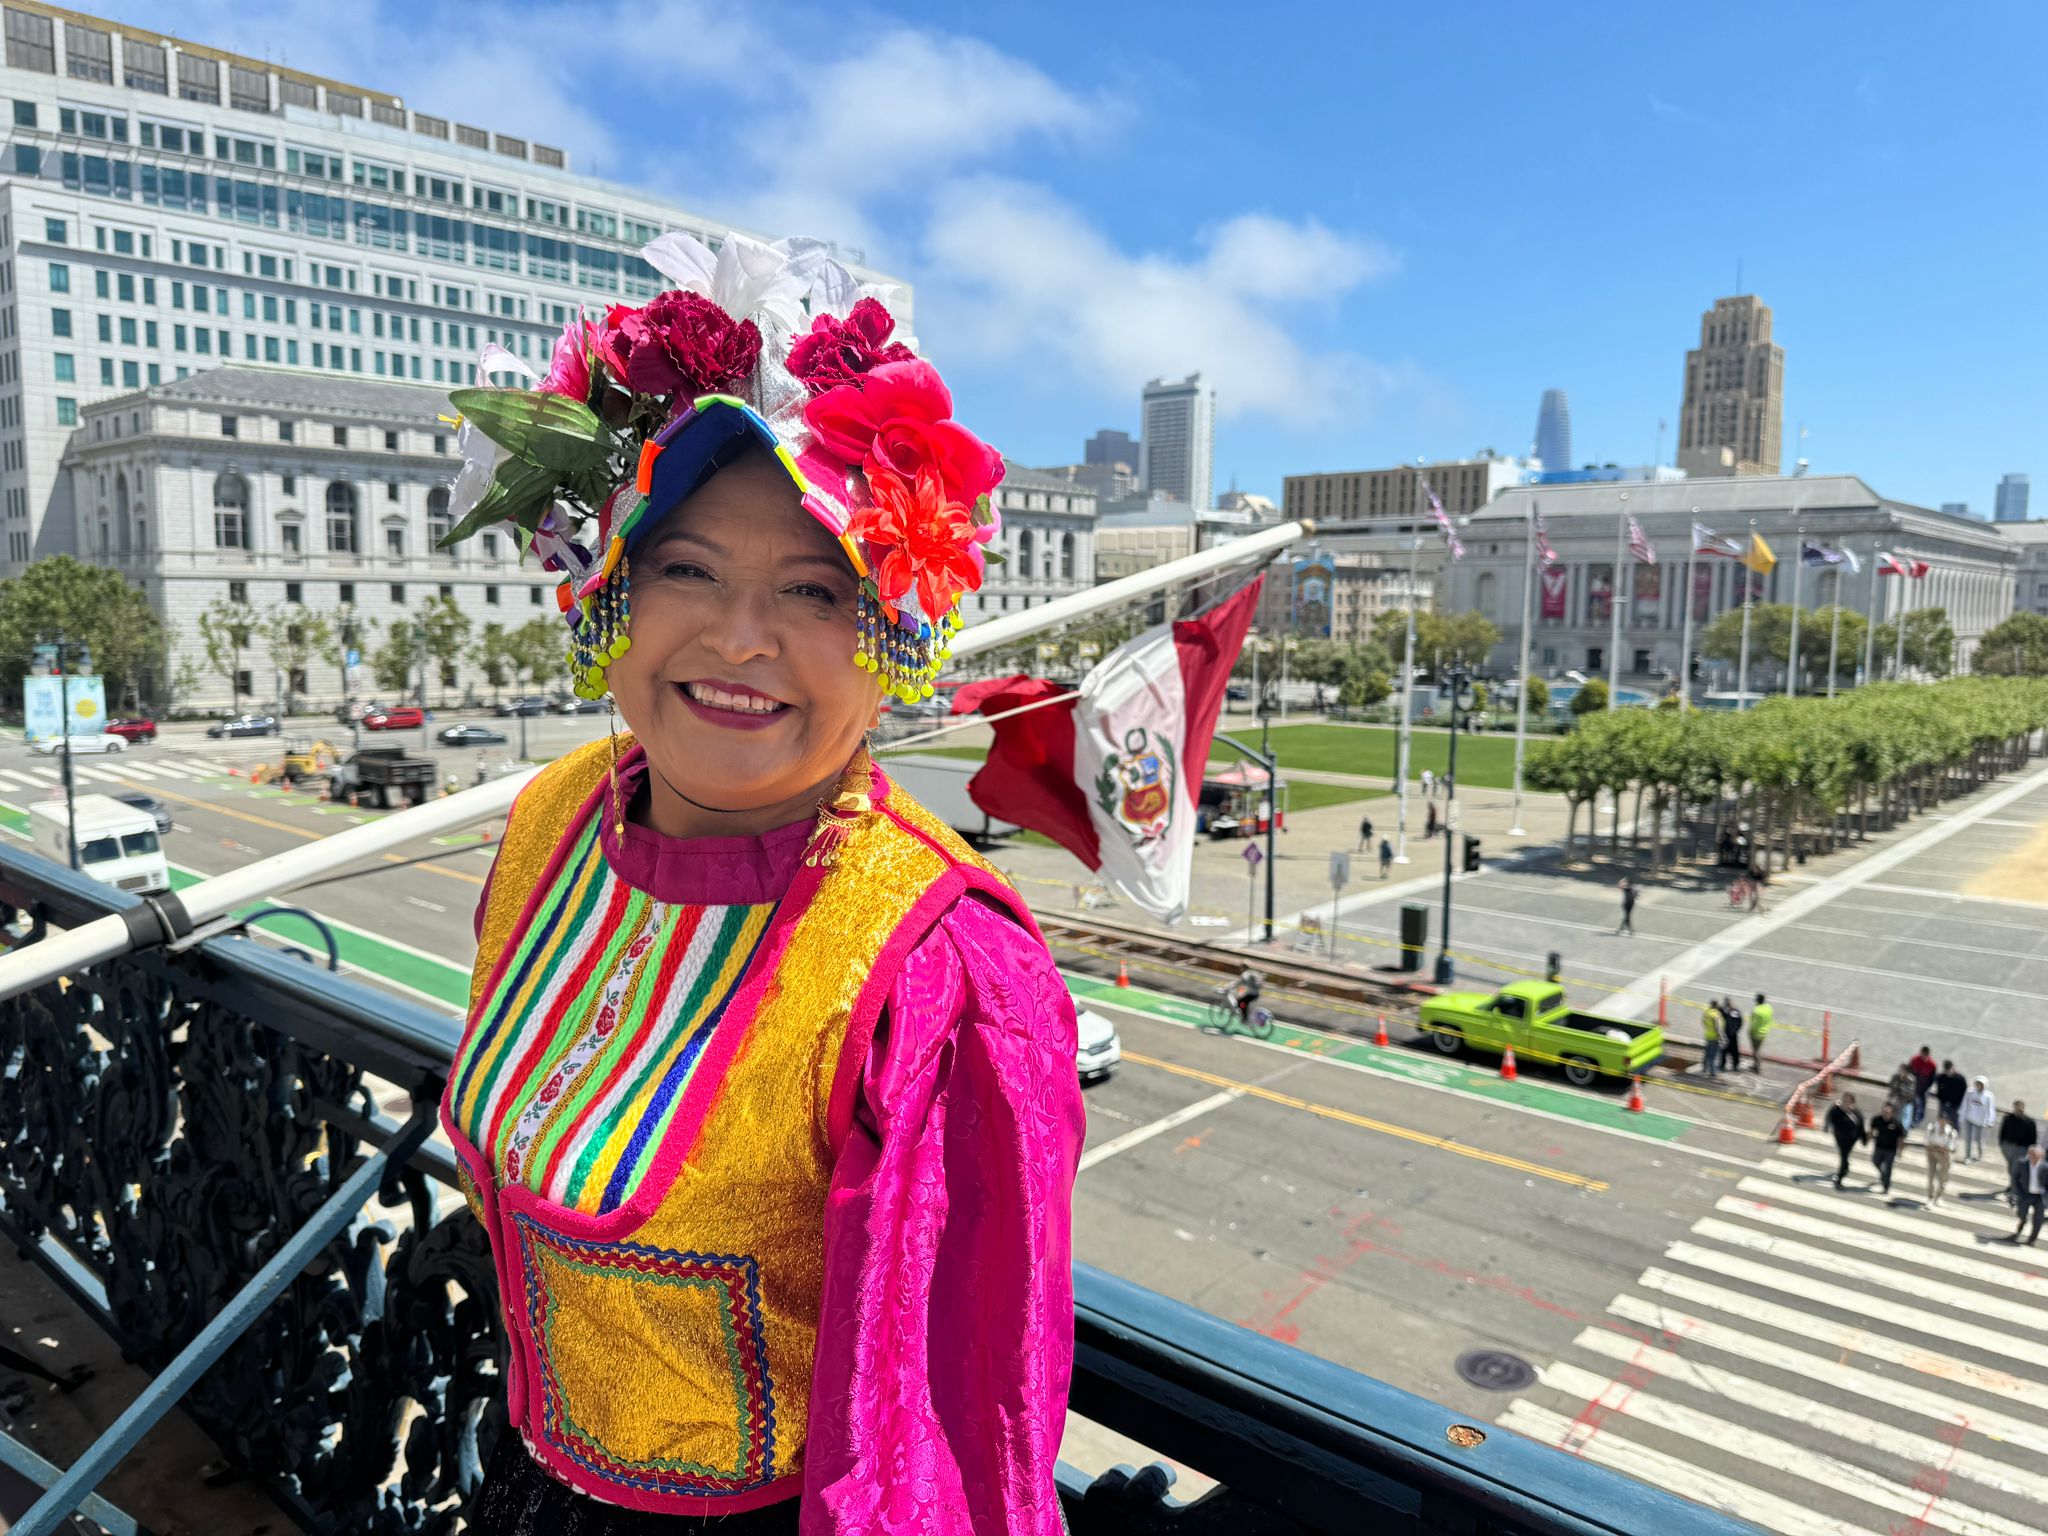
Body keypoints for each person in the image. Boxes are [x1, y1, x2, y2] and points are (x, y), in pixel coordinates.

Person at [442, 239, 1082, 1533]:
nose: (741, 639)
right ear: (605, 593)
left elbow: (933, 1458)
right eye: (687, 569)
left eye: (815, 589)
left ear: (894, 638)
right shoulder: (556, 821)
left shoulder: (936, 973)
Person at [1999, 1100, 2038, 1206]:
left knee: (2015, 1169)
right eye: (2017, 1107)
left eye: (2020, 1107)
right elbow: (2002, 1132)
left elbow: (2033, 1138)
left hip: (2021, 1149)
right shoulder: (2008, 1119)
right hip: (2008, 1147)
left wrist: (2030, 1151)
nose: (2018, 1109)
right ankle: (2012, 1184)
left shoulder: (2029, 1122)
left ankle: (2014, 1191)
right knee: (2010, 1167)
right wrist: (2002, 1144)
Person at [1826, 1094, 1866, 1188]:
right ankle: (1840, 1177)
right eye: (1843, 1100)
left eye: (1847, 1101)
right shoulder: (1837, 1111)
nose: (1845, 1103)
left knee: (1845, 1156)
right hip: (1841, 1139)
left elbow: (1861, 1126)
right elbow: (1831, 1119)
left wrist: (1864, 1139)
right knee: (1844, 1157)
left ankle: (1844, 1168)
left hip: (1852, 1139)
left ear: (1852, 1103)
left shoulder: (1856, 1113)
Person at [2013, 1145, 2048, 1245]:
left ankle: (2032, 1239)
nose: (2034, 1159)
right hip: (2025, 1194)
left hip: (2039, 1197)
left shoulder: (2045, 1167)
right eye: (2032, 1156)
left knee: (2038, 1219)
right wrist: (2017, 1192)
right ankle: (2019, 1229)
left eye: (2036, 1157)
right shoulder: (2021, 1164)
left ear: (2041, 1156)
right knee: (2022, 1215)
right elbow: (2015, 1179)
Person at [1869, 1103, 1905, 1195]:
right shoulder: (1877, 1119)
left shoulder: (1896, 1123)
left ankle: (1886, 1187)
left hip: (1891, 1150)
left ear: (1891, 1113)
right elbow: (1872, 1129)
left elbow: (1901, 1138)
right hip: (1879, 1147)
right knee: (1875, 1161)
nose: (1885, 1114)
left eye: (1887, 1112)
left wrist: (1900, 1151)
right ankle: (1883, 1176)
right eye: (1884, 1111)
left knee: (1888, 1168)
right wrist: (1870, 1137)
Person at [1924, 1115, 1958, 1206]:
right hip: (1932, 1154)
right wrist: (1936, 1148)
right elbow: (1927, 1143)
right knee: (1931, 1176)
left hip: (1945, 1157)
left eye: (1944, 1120)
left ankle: (1939, 1197)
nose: (1942, 1122)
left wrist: (1936, 1147)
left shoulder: (1951, 1132)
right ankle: (1930, 1196)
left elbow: (1948, 1149)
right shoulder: (1931, 1128)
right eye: (1941, 1120)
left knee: (1943, 1178)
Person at [1962, 1076, 1997, 1163]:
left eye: (1980, 1084)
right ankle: (1968, 1156)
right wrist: (1962, 1115)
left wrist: (1990, 1121)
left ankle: (1980, 1154)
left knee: (1978, 1139)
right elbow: (1964, 1104)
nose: (1978, 1086)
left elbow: (1991, 1109)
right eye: (1977, 1084)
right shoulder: (1970, 1092)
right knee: (1968, 1138)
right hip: (1969, 1118)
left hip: (1980, 1121)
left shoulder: (1988, 1096)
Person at [1908, 1045, 1938, 1126]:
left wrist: (1928, 1086)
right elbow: (1909, 1071)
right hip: (1914, 1086)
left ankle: (1919, 1120)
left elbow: (1933, 1077)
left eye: (1925, 1056)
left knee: (1923, 1104)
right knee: (1914, 1103)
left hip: (1924, 1088)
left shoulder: (1932, 1065)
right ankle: (1912, 1119)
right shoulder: (1914, 1060)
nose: (1923, 1057)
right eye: (1922, 1055)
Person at [1934, 1059, 1967, 1128]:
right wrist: (1941, 1098)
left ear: (1953, 1068)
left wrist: (1958, 1102)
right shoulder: (1941, 1077)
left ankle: (1955, 1133)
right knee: (1942, 1119)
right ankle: (1941, 1134)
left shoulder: (1960, 1079)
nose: (1948, 1073)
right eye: (1946, 1071)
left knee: (1954, 1120)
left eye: (1949, 1071)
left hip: (1956, 1104)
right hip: (1944, 1102)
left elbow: (1964, 1092)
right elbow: (1939, 1089)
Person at [1887, 1061, 1919, 1132]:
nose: (1900, 1071)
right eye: (1900, 1069)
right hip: (1895, 1098)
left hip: (1906, 1101)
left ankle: (1903, 1131)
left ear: (1907, 1072)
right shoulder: (1895, 1077)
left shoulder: (1911, 1080)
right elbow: (1892, 1088)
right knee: (1891, 1113)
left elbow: (1910, 1093)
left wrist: (1902, 1083)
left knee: (1903, 1118)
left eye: (1902, 1070)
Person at [1747, 992, 1773, 1070]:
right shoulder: (1769, 1007)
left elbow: (1753, 1024)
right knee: (1758, 1049)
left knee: (1755, 1051)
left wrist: (1750, 1032)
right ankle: (1757, 1063)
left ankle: (1757, 1066)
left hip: (1756, 1033)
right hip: (1764, 1032)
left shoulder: (1756, 1010)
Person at [1700, 1000, 1724, 1079]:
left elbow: (1703, 1021)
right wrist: (1721, 1038)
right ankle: (1713, 1072)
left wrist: (1707, 1029)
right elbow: (1718, 1028)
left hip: (1708, 1035)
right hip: (1714, 1037)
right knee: (1713, 1055)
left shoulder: (1707, 1012)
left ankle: (1704, 1068)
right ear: (1716, 1006)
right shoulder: (1715, 1015)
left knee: (1707, 1053)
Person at [1719, 995, 1744, 1073]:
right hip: (1726, 1034)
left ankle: (1735, 1065)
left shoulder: (1734, 1011)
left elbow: (1739, 1021)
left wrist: (1735, 1030)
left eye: (1728, 1002)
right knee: (1724, 1051)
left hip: (1732, 1035)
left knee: (1733, 1051)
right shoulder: (1723, 1010)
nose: (1727, 1004)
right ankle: (1723, 1065)